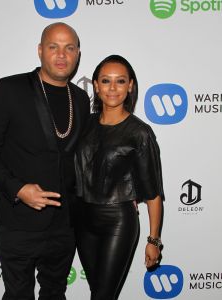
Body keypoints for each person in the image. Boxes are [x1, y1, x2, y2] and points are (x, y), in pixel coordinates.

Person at [0, 22, 90, 300]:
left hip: (64, 225)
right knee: (18, 295)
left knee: (55, 294)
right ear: (40, 50)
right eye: (53, 47)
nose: (61, 55)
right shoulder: (9, 89)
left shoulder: (81, 98)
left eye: (69, 48)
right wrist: (17, 189)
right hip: (19, 223)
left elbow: (84, 159)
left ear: (77, 54)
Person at [74, 54, 164, 300]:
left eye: (120, 81)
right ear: (95, 85)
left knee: (102, 296)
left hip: (117, 222)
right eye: (105, 81)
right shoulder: (84, 124)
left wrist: (154, 240)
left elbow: (153, 193)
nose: (112, 88)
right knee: (99, 293)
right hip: (82, 221)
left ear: (130, 86)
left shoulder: (140, 133)